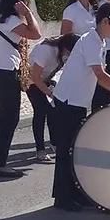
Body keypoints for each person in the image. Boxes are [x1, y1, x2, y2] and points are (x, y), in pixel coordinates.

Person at [51, 3, 110, 211]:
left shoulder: (98, 41)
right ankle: (62, 197)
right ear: (105, 21)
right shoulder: (92, 42)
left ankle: (74, 193)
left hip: (77, 101)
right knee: (66, 150)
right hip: (69, 100)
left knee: (74, 149)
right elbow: (101, 76)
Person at [0, 0, 42, 178]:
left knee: (1, 119)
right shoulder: (9, 20)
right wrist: (27, 13)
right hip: (6, 73)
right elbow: (36, 33)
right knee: (9, 119)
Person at [27, 32, 82, 162]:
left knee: (54, 112)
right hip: (31, 81)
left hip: (47, 79)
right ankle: (40, 150)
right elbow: (35, 76)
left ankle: (55, 143)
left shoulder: (64, 52)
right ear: (65, 48)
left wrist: (53, 85)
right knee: (40, 112)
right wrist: (48, 92)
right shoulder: (46, 49)